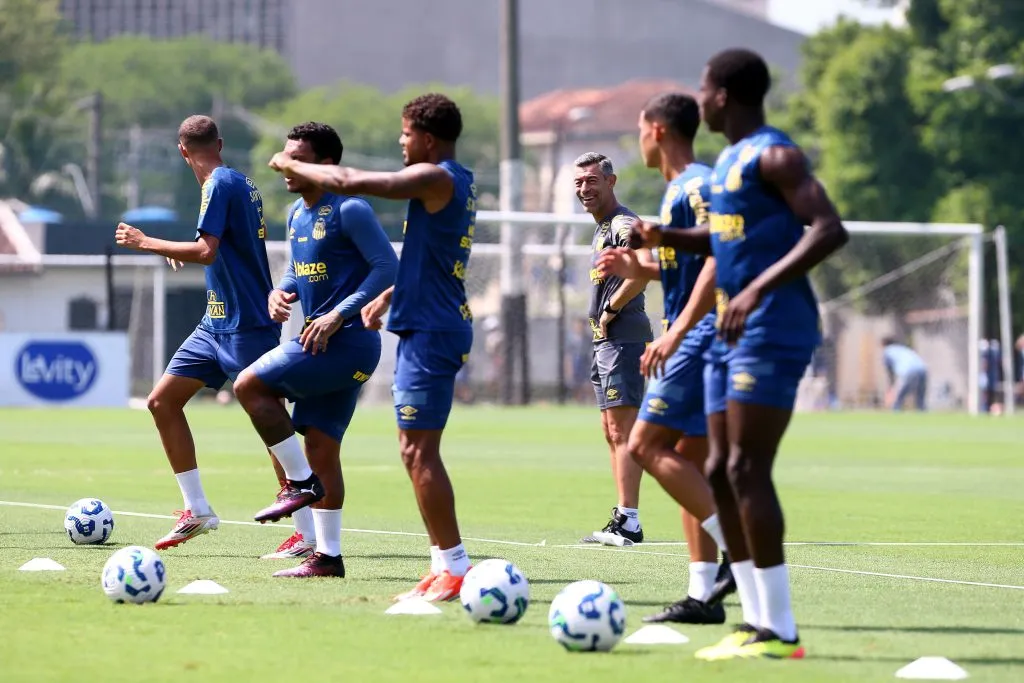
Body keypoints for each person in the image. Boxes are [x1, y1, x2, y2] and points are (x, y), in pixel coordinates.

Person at [629, 48, 848, 660]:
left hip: (774, 327)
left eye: (704, 87)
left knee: (747, 469)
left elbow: (829, 227)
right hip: (731, 333)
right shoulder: (727, 163)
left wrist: (753, 289)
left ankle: (781, 630)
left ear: (723, 94)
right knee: (722, 469)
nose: (699, 99)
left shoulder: (778, 154)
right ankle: (754, 623)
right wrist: (663, 237)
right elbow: (723, 238)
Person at [268, 93, 474, 601]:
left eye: (405, 134)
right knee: (412, 451)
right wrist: (386, 295)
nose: (401, 143)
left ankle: (455, 566)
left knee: (419, 452)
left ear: (426, 137)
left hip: (433, 330)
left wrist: (291, 162)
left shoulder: (438, 175)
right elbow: (428, 261)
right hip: (425, 321)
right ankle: (440, 564)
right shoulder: (452, 181)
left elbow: (359, 181)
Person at [115, 115, 290, 551]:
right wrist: (186, 253)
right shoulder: (239, 182)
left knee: (271, 422)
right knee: (161, 401)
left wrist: (146, 242)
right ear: (221, 143)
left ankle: (306, 528)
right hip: (214, 322)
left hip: (246, 324)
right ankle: (197, 510)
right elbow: (217, 248)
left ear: (181, 151)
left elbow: (206, 251)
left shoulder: (217, 184)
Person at [233, 122, 398, 577]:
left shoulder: (351, 209)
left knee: (249, 385)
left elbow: (387, 266)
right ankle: (327, 557)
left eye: (297, 157)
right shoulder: (295, 214)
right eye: (285, 155)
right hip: (317, 340)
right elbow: (297, 270)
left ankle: (299, 483)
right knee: (323, 449)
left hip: (347, 345)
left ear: (327, 165)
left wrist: (337, 314)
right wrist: (279, 292)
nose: (286, 164)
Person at [597, 92, 733, 624]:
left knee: (645, 445)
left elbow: (723, 255)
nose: (637, 138)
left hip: (695, 336)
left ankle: (739, 552)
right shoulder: (679, 189)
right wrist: (640, 268)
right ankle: (703, 594)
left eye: (637, 129)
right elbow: (688, 264)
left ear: (655, 130)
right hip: (697, 333)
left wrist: (676, 334)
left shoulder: (696, 184)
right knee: (687, 462)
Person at [574, 152, 654, 546]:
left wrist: (611, 307)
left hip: (623, 340)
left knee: (624, 431)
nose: (584, 189)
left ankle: (630, 521)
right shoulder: (602, 227)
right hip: (606, 342)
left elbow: (644, 267)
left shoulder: (623, 223)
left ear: (611, 182)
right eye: (579, 183)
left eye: (591, 181)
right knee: (611, 431)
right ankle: (624, 515)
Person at [882, 338, 928, 411]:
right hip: (922, 368)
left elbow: (890, 371)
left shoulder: (887, 351)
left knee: (899, 397)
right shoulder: (903, 348)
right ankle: (923, 413)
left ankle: (896, 413)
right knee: (920, 397)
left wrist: (891, 385)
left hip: (908, 370)